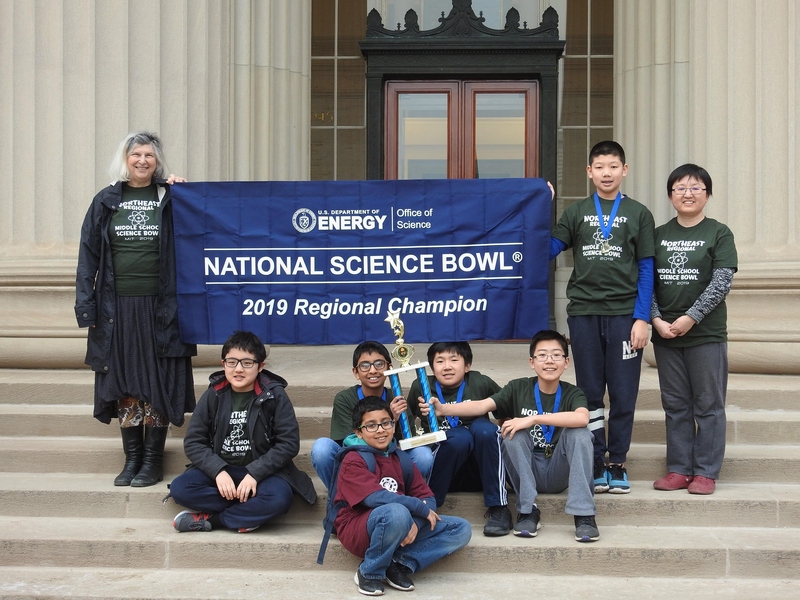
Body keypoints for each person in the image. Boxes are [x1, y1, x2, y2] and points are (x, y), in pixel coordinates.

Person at [75, 131, 196, 487]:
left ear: (157, 162)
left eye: (149, 155)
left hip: (163, 307)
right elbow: (88, 256)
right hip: (117, 308)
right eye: (136, 155)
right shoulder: (106, 200)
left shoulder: (171, 198)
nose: (142, 161)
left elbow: (200, 232)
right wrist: (86, 307)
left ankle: (152, 461)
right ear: (125, 160)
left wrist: (188, 194)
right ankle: (132, 460)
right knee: (125, 381)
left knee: (158, 381)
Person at [422, 330, 598, 542]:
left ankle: (584, 515)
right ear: (532, 362)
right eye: (542, 355)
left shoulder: (573, 392)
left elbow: (582, 418)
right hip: (524, 470)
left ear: (566, 362)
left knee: (580, 434)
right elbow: (483, 405)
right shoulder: (518, 387)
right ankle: (528, 511)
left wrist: (533, 419)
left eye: (556, 355)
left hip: (557, 470)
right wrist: (443, 409)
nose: (549, 361)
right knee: (513, 433)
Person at [550, 140, 655, 494]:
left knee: (623, 393)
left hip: (625, 316)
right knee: (590, 392)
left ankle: (617, 462)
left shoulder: (639, 213)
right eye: (599, 167)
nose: (606, 173)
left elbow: (646, 269)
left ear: (624, 170)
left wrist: (642, 318)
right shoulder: (576, 212)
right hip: (584, 313)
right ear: (589, 172)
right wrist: (538, 207)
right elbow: (548, 249)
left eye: (613, 166)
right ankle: (596, 459)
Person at [169, 330, 316, 532]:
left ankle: (214, 520)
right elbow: (194, 442)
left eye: (247, 363)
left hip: (263, 473)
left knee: (280, 498)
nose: (238, 369)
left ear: (260, 366)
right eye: (232, 362)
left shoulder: (274, 395)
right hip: (223, 470)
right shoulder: (214, 393)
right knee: (181, 488)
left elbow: (288, 443)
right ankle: (247, 513)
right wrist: (218, 471)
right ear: (223, 364)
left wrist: (255, 473)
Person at [651, 164, 737, 496]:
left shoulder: (719, 233)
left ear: (707, 194)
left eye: (696, 188)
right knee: (675, 404)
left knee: (708, 404)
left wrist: (691, 317)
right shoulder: (657, 235)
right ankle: (679, 469)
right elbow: (645, 281)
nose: (688, 194)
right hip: (666, 335)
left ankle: (705, 472)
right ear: (670, 195)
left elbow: (722, 282)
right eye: (680, 188)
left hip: (705, 335)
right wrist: (655, 319)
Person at [334, 396, 471, 596]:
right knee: (397, 512)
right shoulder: (353, 460)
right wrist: (418, 509)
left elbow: (427, 497)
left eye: (386, 423)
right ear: (358, 432)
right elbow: (374, 498)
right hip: (358, 528)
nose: (380, 430)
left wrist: (415, 522)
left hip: (399, 525)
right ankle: (369, 571)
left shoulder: (401, 458)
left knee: (460, 529)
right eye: (371, 426)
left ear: (393, 424)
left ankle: (397, 563)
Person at [407, 341, 511, 536]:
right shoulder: (421, 386)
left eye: (454, 360)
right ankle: (429, 505)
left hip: (481, 471)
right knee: (459, 437)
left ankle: (499, 507)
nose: (447, 366)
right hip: (445, 472)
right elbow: (407, 421)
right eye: (440, 361)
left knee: (484, 429)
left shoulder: (480, 382)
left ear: (467, 365)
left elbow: (506, 411)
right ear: (432, 367)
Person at [310, 341, 433, 490]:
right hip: (357, 462)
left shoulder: (397, 400)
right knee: (322, 448)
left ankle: (399, 495)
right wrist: (390, 420)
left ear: (389, 368)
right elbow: (350, 443)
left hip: (389, 463)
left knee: (423, 455)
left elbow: (407, 444)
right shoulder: (345, 399)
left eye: (379, 364)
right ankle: (342, 496)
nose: (373, 370)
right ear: (356, 372)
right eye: (365, 365)